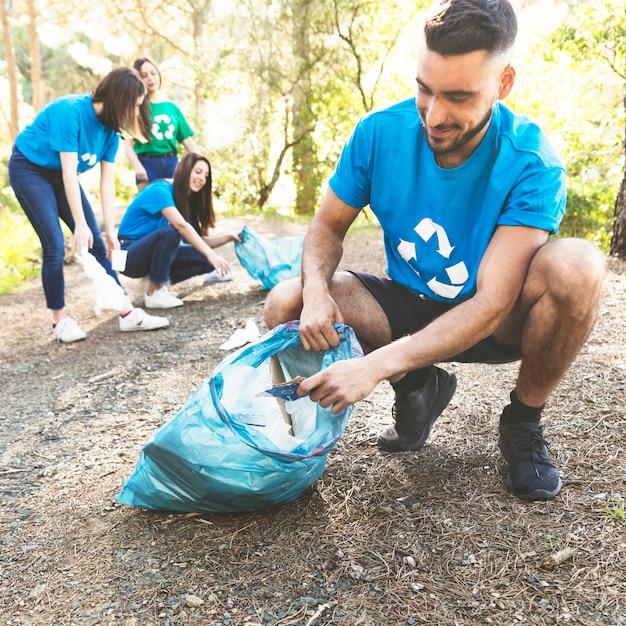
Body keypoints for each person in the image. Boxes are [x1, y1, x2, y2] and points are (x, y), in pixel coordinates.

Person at [263, 0, 605, 501]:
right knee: (286, 302)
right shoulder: (379, 133)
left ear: (503, 84)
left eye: (460, 96)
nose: (435, 115)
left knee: (578, 265)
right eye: (425, 89)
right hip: (408, 304)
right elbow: (327, 226)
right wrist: (317, 291)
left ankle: (523, 421)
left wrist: (373, 366)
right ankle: (418, 387)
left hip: (494, 319)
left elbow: (491, 304)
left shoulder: (532, 161)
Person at [8, 67, 170, 344]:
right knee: (54, 244)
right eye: (135, 105)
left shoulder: (110, 132)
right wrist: (79, 224)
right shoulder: (69, 111)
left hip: (61, 175)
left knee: (97, 241)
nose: (136, 112)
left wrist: (108, 229)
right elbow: (69, 172)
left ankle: (127, 313)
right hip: (30, 169)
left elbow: (107, 182)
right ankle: (59, 322)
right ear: (121, 99)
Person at [117, 152, 240, 309]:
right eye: (198, 172)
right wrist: (211, 254)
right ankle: (154, 293)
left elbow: (198, 240)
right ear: (184, 170)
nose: (202, 178)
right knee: (173, 232)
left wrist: (229, 237)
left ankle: (157, 281)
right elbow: (181, 227)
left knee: (205, 260)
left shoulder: (182, 200)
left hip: (145, 252)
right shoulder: (161, 190)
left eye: (206, 175)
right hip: (126, 254)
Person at [124, 57, 199, 189]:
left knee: (174, 205)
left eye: (153, 73)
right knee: (150, 206)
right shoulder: (136, 107)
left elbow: (187, 140)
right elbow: (128, 145)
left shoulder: (172, 108)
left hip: (171, 163)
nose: (150, 78)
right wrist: (137, 166)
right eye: (144, 75)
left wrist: (200, 163)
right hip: (147, 164)